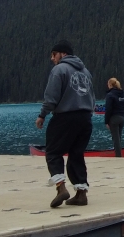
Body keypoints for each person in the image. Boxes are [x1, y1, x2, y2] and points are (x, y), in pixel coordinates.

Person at [35, 40, 95, 208]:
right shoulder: (86, 72)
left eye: (53, 55)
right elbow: (92, 98)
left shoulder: (59, 70)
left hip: (65, 118)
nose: (52, 58)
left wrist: (42, 115)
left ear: (62, 54)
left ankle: (61, 188)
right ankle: (81, 194)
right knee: (76, 154)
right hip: (85, 119)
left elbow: (51, 97)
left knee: (53, 152)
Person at [104, 78, 124, 157]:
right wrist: (123, 115)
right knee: (119, 138)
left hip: (114, 119)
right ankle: (119, 154)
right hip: (122, 118)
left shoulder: (110, 95)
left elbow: (108, 109)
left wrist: (106, 121)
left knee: (116, 139)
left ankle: (118, 156)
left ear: (110, 85)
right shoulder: (123, 94)